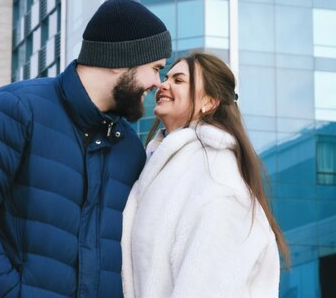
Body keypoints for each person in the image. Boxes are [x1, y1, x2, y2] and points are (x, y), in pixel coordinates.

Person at [0, 0, 172, 297]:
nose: (158, 82)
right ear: (121, 59)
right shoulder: (15, 109)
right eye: (155, 67)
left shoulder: (129, 150)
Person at [121, 51, 290, 298]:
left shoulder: (217, 175)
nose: (162, 84)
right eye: (166, 77)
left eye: (178, 80)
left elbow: (209, 286)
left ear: (209, 103)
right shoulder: (160, 165)